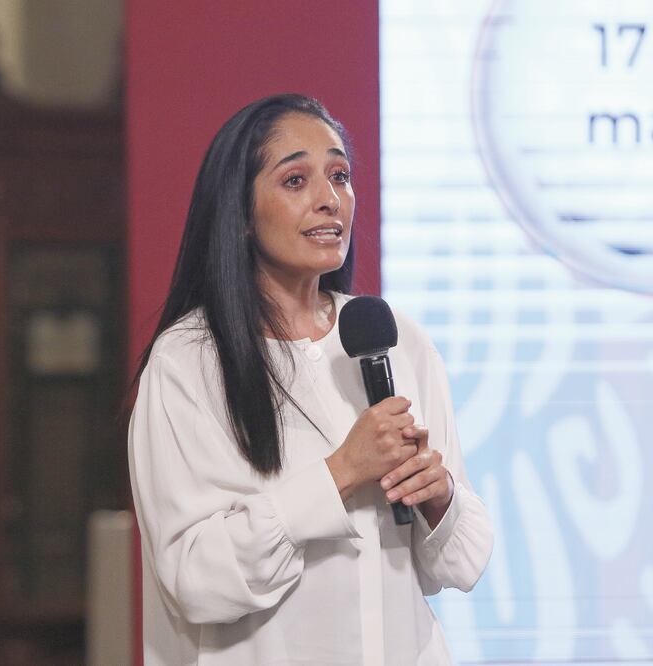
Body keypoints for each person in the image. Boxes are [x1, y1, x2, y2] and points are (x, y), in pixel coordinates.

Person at [128, 93, 493, 666]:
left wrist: (438, 495)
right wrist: (341, 472)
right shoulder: (188, 362)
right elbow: (194, 579)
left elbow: (460, 564)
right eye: (296, 181)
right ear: (241, 213)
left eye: (340, 176)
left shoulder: (399, 338)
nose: (330, 199)